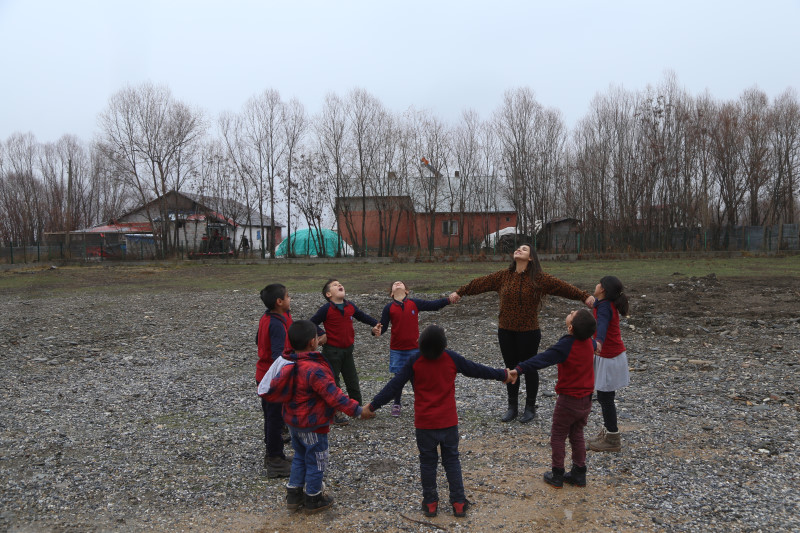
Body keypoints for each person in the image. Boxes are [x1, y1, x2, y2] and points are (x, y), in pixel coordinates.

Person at [363, 325, 513, 518]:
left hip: (425, 425)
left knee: (427, 463)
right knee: (452, 461)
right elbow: (477, 370)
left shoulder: (414, 360)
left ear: (420, 344)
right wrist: (503, 374)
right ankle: (458, 503)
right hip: (448, 423)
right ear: (444, 345)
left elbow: (393, 386)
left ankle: (430, 503)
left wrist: (372, 406)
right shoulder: (451, 357)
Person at [450, 244, 594, 423]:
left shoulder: (539, 278)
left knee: (530, 368)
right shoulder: (503, 276)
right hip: (506, 331)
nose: (519, 250)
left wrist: (584, 296)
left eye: (524, 249)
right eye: (518, 248)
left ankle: (530, 407)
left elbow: (563, 287)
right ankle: (512, 407)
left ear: (531, 258)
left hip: (529, 332)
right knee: (510, 368)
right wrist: (460, 292)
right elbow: (480, 283)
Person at [266, 320, 375, 514]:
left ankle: (294, 493)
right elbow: (334, 396)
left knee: (300, 456)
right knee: (316, 460)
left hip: (293, 422)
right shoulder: (314, 369)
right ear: (312, 342)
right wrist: (358, 410)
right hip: (313, 424)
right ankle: (314, 498)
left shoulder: (288, 362)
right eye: (317, 337)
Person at [508, 309, 597, 488]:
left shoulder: (566, 344)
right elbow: (596, 345)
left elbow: (543, 359)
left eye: (573, 313)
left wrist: (519, 369)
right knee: (577, 434)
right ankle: (579, 473)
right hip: (586, 400)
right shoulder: (590, 342)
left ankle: (557, 474)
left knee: (558, 435)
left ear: (570, 327)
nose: (571, 311)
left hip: (568, 401)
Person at [372, 280, 457, 417]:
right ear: (391, 293)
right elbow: (383, 327)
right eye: (395, 284)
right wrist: (375, 331)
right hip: (397, 350)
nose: (398, 283)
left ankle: (421, 403)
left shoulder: (414, 303)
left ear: (407, 291)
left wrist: (448, 299)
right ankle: (397, 403)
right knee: (398, 378)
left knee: (416, 378)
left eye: (400, 283)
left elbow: (433, 305)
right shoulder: (388, 308)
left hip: (414, 348)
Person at [310, 279, 379, 423]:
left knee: (352, 381)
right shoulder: (326, 309)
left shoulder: (349, 306)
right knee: (333, 383)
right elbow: (311, 323)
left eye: (340, 284)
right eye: (335, 285)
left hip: (348, 352)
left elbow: (362, 316)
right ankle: (335, 413)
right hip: (331, 352)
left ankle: (359, 410)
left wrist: (376, 323)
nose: (339, 285)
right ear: (328, 294)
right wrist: (322, 333)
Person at [588, 276, 630, 453]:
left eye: (599, 283)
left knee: (606, 398)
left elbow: (602, 325)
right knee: (605, 397)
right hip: (609, 354)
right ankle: (608, 431)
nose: (596, 285)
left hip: (609, 355)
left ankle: (612, 438)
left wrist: (598, 341)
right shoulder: (603, 303)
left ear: (603, 289)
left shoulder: (605, 307)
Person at [255, 283, 293, 478]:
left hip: (264, 376)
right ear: (279, 302)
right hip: (272, 380)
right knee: (274, 419)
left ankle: (275, 454)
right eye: (287, 297)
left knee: (274, 418)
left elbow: (257, 340)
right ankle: (274, 460)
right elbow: (280, 356)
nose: (290, 299)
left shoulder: (267, 317)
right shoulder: (276, 323)